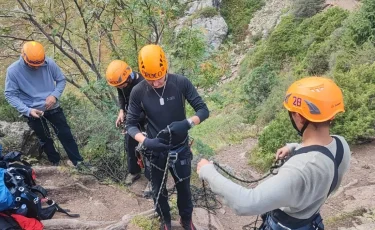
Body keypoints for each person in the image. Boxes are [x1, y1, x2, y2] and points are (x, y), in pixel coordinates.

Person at [197, 77, 351, 230]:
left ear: (299, 116)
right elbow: (320, 151)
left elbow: (246, 203)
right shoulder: (341, 145)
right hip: (311, 220)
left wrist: (208, 172)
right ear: (332, 114)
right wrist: (294, 148)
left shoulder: (299, 170)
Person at [126, 44, 209, 230]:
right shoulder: (138, 91)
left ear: (166, 69)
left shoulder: (180, 83)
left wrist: (187, 123)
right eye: (150, 80)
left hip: (180, 147)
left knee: (184, 189)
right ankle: (165, 220)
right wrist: (146, 141)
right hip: (155, 150)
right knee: (158, 190)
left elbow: (203, 110)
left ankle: (186, 220)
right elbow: (130, 124)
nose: (155, 84)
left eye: (158, 79)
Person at [4, 41, 86, 169]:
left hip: (53, 107)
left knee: (65, 135)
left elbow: (60, 80)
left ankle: (78, 163)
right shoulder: (13, 71)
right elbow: (10, 94)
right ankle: (56, 163)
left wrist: (54, 95)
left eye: (39, 64)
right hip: (32, 110)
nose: (37, 67)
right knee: (45, 139)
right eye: (33, 65)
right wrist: (27, 110)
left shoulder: (49, 63)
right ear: (24, 57)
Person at [105, 60, 150, 190]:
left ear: (129, 77)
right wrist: (121, 111)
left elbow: (147, 109)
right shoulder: (122, 84)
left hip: (147, 118)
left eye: (121, 85)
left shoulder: (143, 84)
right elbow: (122, 95)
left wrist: (130, 122)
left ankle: (152, 179)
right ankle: (134, 172)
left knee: (148, 148)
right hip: (132, 117)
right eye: (117, 86)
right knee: (130, 144)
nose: (120, 87)